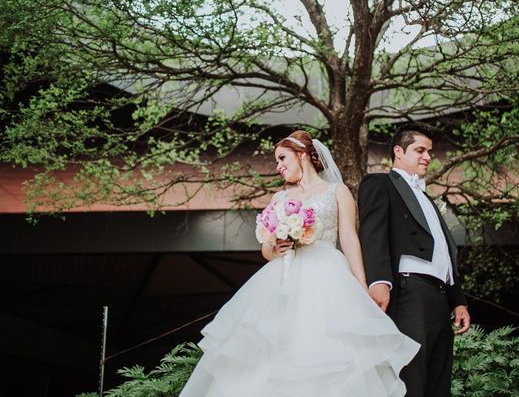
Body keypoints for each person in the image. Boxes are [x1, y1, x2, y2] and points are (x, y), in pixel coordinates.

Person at [179, 130, 419, 397]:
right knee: (274, 351)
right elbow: (266, 251)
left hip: (328, 277)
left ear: (302, 155)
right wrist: (276, 247)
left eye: (283, 158)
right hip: (283, 278)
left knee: (328, 350)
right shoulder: (278, 199)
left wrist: (361, 284)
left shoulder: (336, 191)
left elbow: (350, 239)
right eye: (277, 161)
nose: (279, 166)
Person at [358, 123, 471, 397]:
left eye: (430, 152)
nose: (427, 157)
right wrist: (378, 281)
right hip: (409, 293)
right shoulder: (380, 183)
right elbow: (373, 234)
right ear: (398, 151)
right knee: (412, 377)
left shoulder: (428, 199)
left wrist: (458, 300)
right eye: (420, 150)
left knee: (438, 379)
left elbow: (444, 252)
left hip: (439, 296)